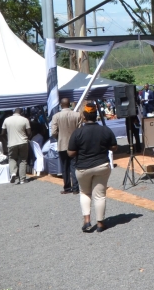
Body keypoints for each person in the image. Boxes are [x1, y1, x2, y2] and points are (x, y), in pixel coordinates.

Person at [68, 103, 117, 233]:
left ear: (84, 116)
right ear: (96, 116)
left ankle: (87, 221)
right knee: (100, 195)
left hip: (83, 167)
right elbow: (114, 147)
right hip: (102, 165)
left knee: (85, 192)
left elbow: (70, 153)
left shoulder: (78, 132)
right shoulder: (105, 130)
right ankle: (100, 223)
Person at [50, 96, 82, 195]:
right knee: (74, 166)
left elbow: (53, 132)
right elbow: (80, 130)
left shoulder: (56, 116)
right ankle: (76, 188)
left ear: (61, 105)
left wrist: (58, 138)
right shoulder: (77, 115)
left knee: (65, 167)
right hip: (74, 144)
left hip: (62, 144)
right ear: (69, 104)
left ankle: (67, 188)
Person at [1, 108, 32, 184]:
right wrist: (28, 138)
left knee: (12, 158)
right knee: (23, 160)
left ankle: (13, 173)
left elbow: (2, 133)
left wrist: (8, 138)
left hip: (11, 143)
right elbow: (29, 132)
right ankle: (22, 179)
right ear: (21, 113)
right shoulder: (25, 120)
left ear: (13, 112)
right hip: (23, 142)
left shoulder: (6, 120)